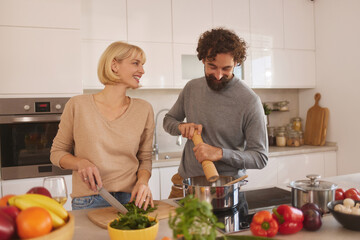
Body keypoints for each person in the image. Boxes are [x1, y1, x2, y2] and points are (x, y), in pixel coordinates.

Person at [163, 28, 268, 198]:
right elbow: (168, 120)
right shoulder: (191, 88)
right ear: (203, 60)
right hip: (185, 185)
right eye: (212, 67)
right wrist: (181, 127)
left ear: (236, 64)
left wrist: (220, 153)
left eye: (226, 69)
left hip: (225, 191)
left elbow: (260, 158)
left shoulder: (249, 100)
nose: (218, 76)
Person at [50, 41, 155, 210]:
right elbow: (56, 153)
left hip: (132, 200)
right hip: (89, 201)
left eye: (142, 65)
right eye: (136, 63)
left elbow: (145, 158)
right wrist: (80, 163)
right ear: (114, 65)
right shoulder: (78, 105)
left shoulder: (144, 109)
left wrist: (143, 182)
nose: (142, 70)